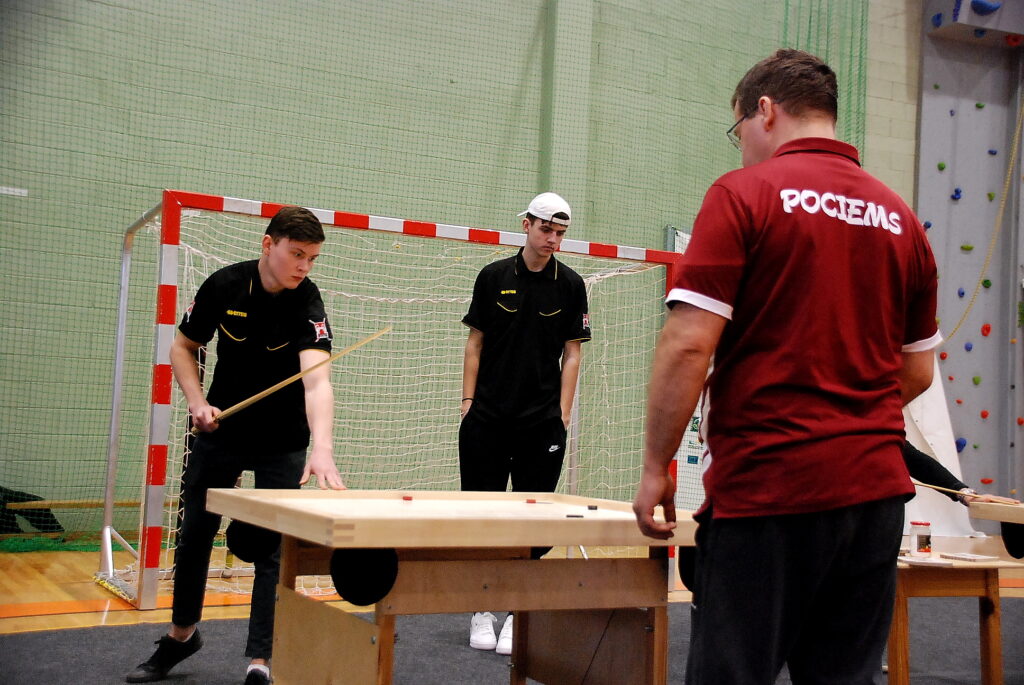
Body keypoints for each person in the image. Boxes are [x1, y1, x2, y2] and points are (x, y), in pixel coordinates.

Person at [632, 49, 942, 684]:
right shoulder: (902, 219)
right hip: (875, 499)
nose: (742, 144)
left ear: (765, 111)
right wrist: (848, 417)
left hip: (769, 492)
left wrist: (654, 467)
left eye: (739, 128)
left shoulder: (742, 193)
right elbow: (917, 373)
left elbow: (687, 346)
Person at [126, 206, 346, 685]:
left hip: (283, 440)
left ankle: (260, 659)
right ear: (268, 245)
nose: (304, 266)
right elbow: (183, 347)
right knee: (195, 535)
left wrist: (323, 447)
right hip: (220, 431)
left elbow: (317, 383)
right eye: (297, 254)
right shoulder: (224, 285)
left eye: (312, 258)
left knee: (270, 548)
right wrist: (197, 402)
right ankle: (181, 635)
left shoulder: (308, 302)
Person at [459, 191, 591, 655]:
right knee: (483, 516)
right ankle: (482, 608)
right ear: (527, 225)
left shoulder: (571, 284)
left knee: (535, 521)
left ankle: (519, 612)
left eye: (560, 233)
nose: (553, 239)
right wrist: (468, 400)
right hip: (487, 417)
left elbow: (573, 353)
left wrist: (563, 412)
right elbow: (475, 343)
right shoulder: (492, 276)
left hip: (542, 422)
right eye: (546, 229)